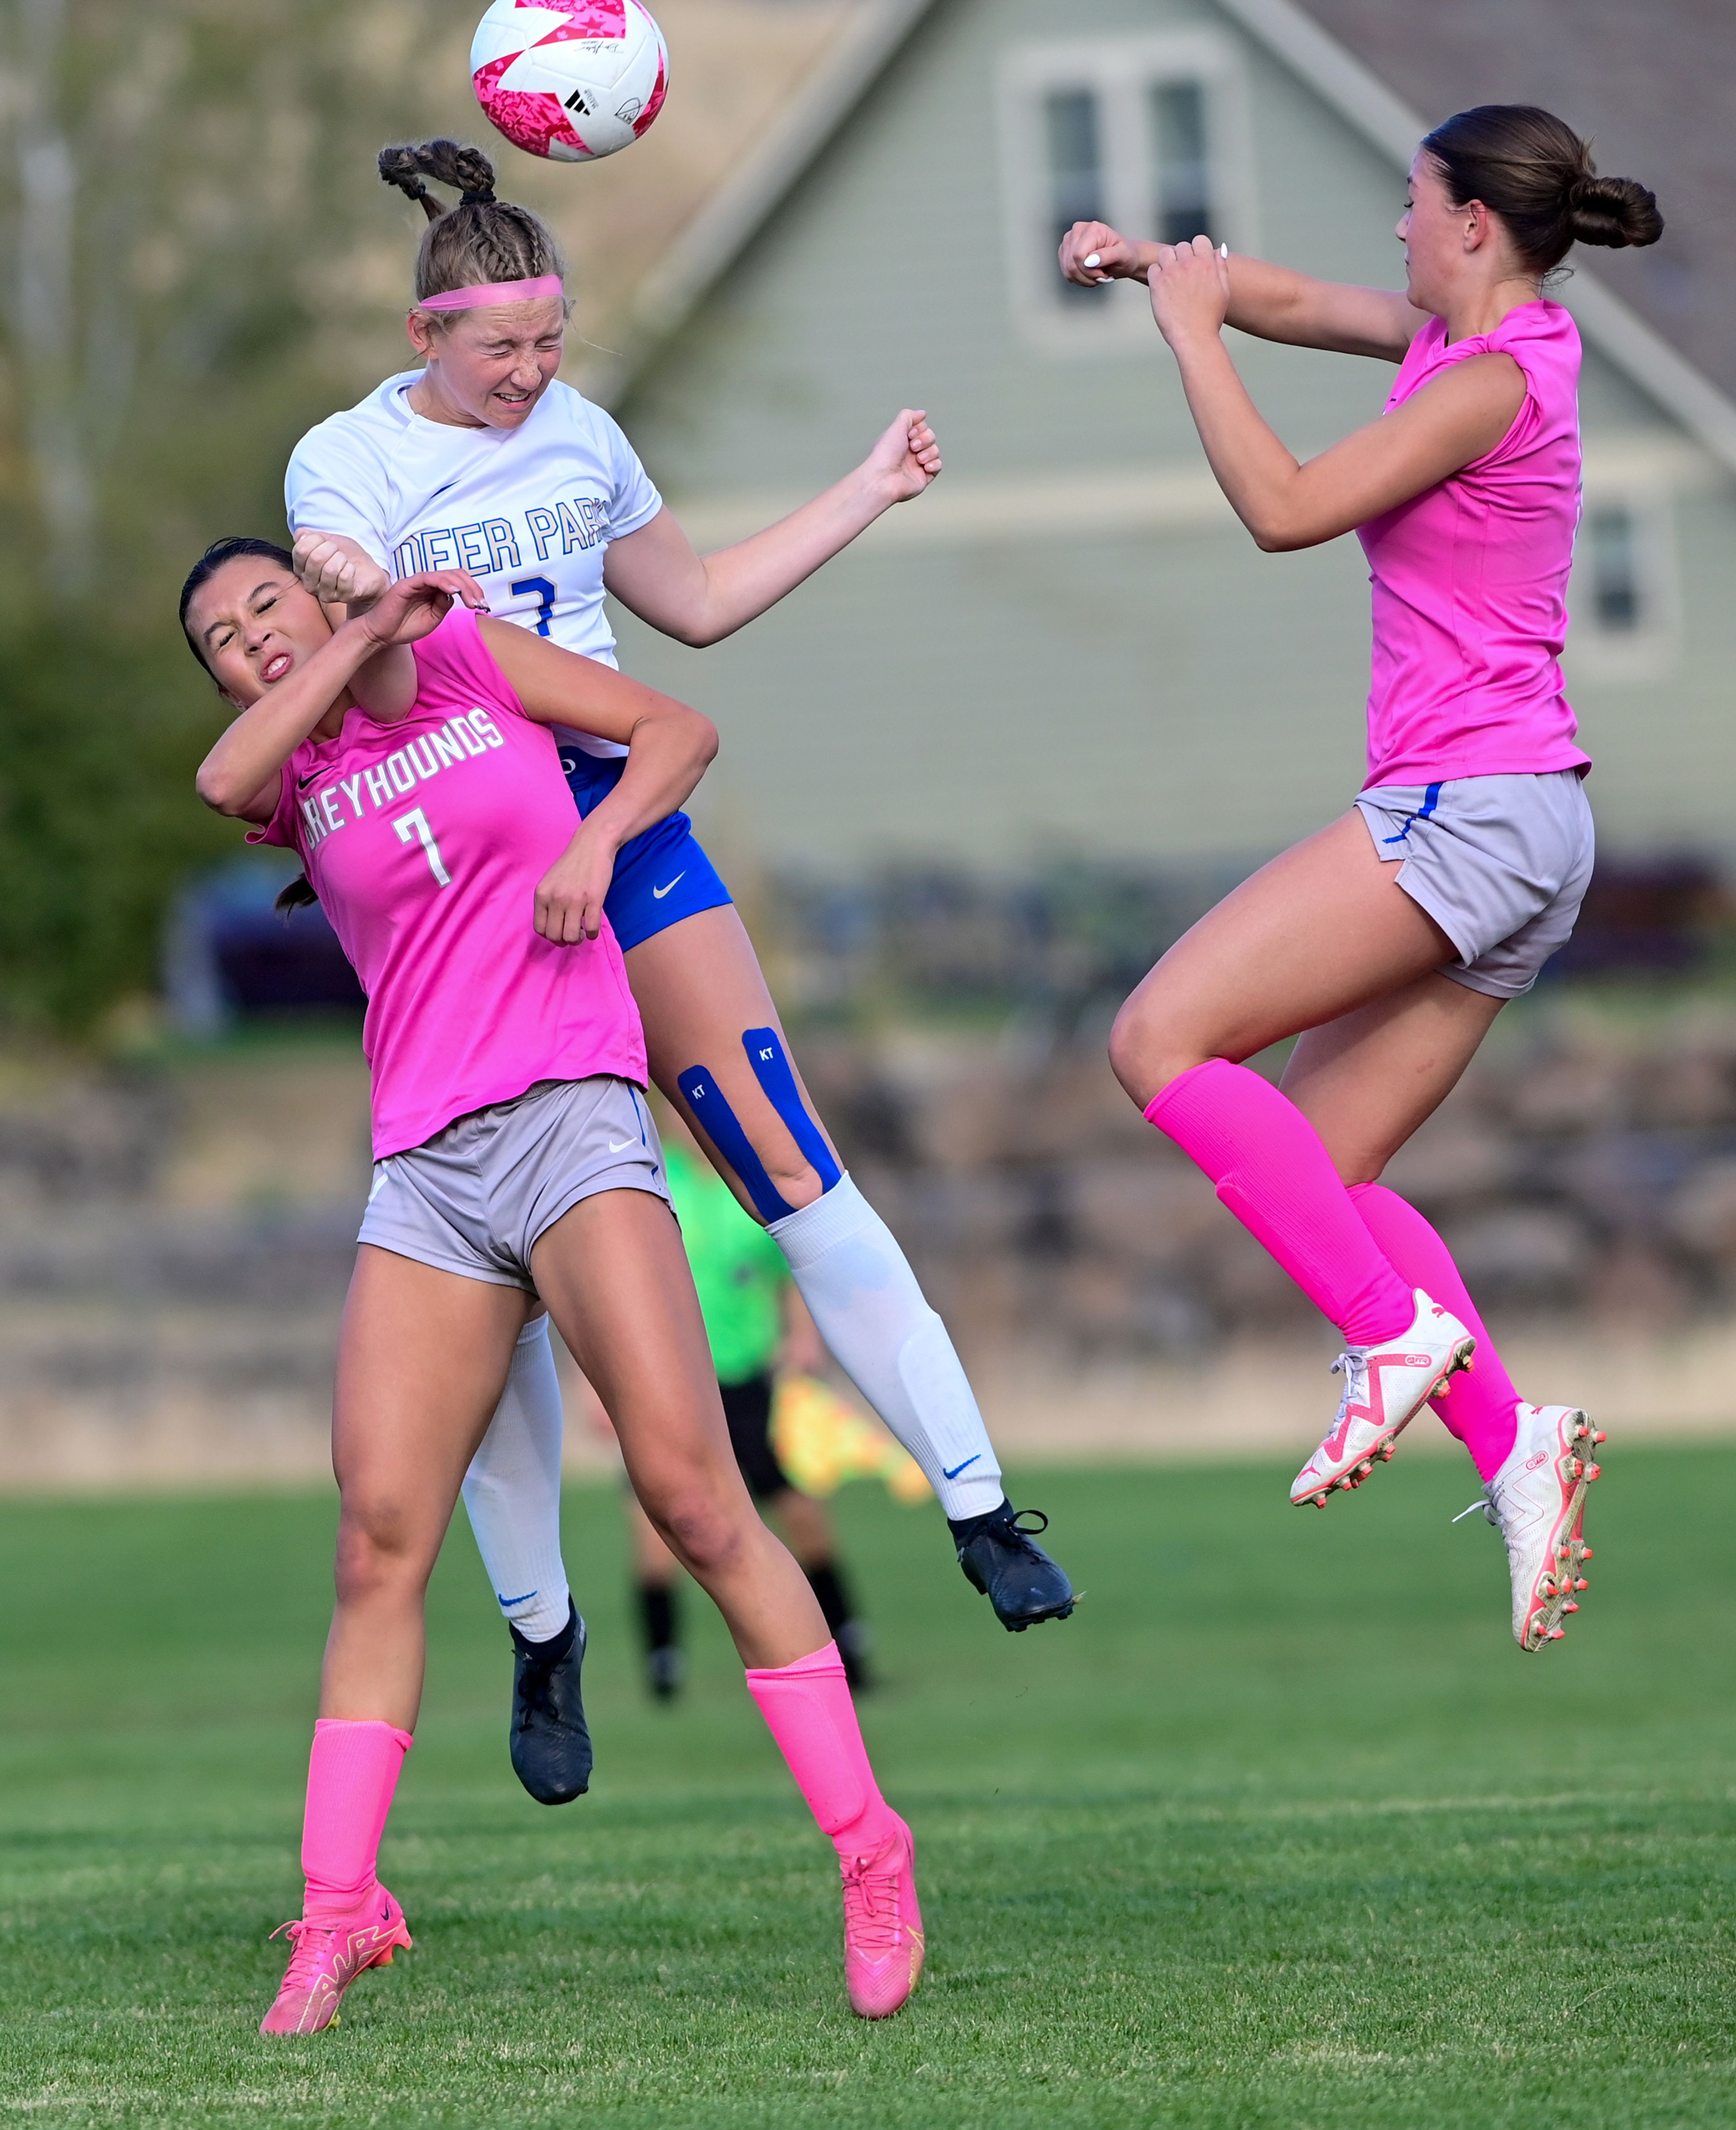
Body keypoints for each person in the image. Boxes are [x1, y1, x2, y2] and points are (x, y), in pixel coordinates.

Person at [284, 140, 1074, 1803]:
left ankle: (984, 1505)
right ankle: (544, 1627)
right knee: (484, 1278)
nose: (534, 372)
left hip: (623, 821)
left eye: (553, 339)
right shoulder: (346, 459)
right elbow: (343, 597)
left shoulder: (581, 435)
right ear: (426, 328)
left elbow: (695, 606)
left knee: (788, 1164)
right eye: (502, 347)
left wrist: (866, 489)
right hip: (462, 853)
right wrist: (367, 591)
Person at [181, 540, 925, 2030]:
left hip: (575, 1118)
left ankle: (872, 1854)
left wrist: (597, 844)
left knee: (699, 1498)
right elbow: (220, 781)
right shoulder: (289, 773)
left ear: (318, 596)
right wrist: (341, 638)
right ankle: (337, 1914)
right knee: (378, 1541)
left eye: (271, 603)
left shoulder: (466, 658)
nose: (253, 639)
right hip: (430, 1176)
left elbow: (678, 731)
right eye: (222, 638)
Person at [1059, 106, 1659, 1651]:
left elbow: (1285, 509)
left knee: (1158, 1040)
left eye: (1412, 203)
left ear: (1471, 224)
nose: (1394, 228)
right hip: (1534, 821)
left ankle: (1390, 1336)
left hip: (1466, 808)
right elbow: (1296, 298)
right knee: (1315, 1170)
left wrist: (1190, 341)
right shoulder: (1480, 340)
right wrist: (1159, 268)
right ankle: (1513, 1438)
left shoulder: (1480, 383)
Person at [629, 1105, 875, 1701]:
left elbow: (785, 1271)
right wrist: (596, 1386)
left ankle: (850, 1643)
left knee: (803, 1516)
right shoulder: (653, 1191)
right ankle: (664, 1667)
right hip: (673, 1386)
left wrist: (802, 1339)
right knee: (657, 1531)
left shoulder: (748, 1193)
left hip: (750, 1386)